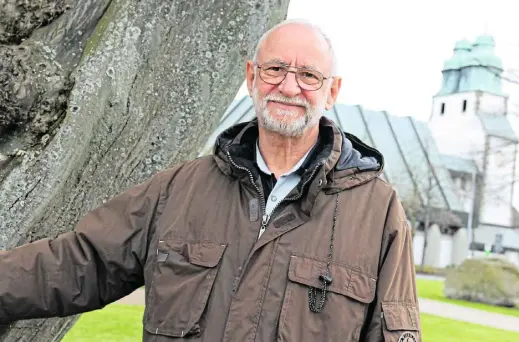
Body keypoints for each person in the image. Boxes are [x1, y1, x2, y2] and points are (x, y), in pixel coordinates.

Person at [0, 19, 421, 342]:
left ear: (332, 91)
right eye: (275, 68)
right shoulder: (178, 190)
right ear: (253, 76)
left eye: (309, 75)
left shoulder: (378, 213)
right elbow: (81, 262)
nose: (289, 86)